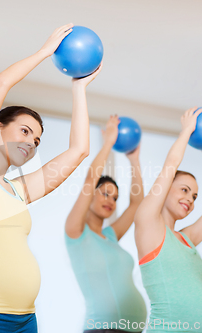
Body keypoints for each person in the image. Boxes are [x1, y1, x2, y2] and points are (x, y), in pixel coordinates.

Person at [0, 24, 102, 333]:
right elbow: (1, 84)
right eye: (25, 131)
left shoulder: (19, 190)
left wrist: (78, 89)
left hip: (26, 320)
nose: (31, 143)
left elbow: (79, 150)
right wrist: (45, 52)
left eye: (38, 141)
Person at [135, 107, 202, 333]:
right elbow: (170, 167)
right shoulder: (148, 223)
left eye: (194, 196)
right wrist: (186, 131)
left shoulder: (187, 239)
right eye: (184, 190)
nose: (190, 199)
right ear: (166, 190)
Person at [65, 115, 147, 333]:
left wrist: (134, 161)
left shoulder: (110, 236)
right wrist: (108, 143)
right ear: (91, 195)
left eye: (115, 197)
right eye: (105, 193)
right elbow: (91, 179)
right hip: (102, 329)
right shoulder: (76, 232)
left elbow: (137, 203)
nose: (110, 200)